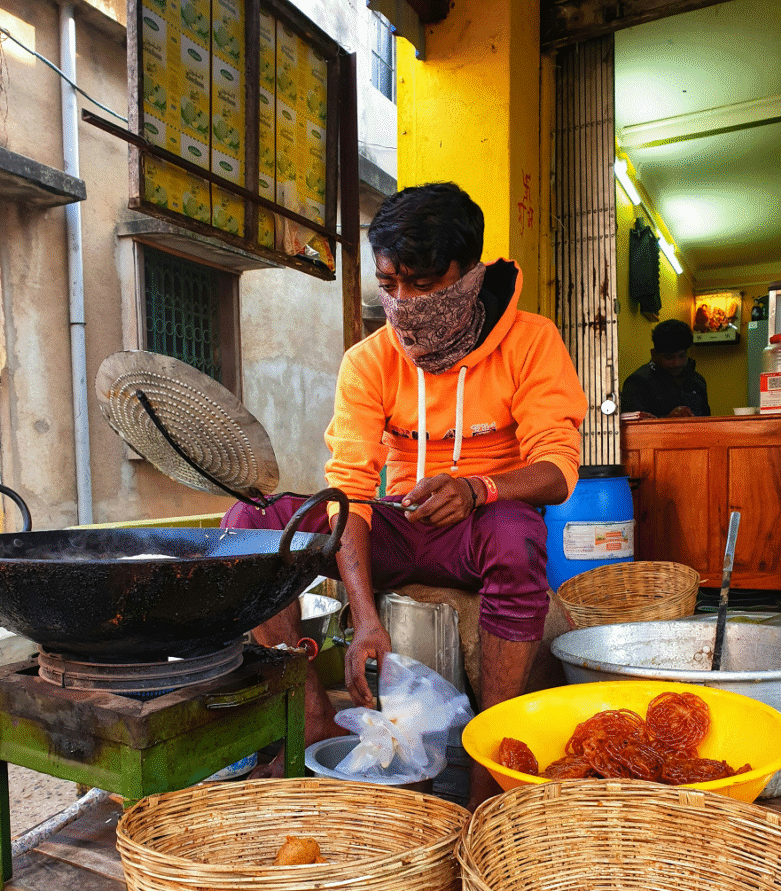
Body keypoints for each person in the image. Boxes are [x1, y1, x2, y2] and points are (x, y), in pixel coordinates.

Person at [222, 181, 587, 807]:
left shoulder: (532, 341)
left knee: (520, 534)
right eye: (390, 286)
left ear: (467, 273)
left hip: (483, 523)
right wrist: (365, 620)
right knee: (254, 520)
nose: (404, 303)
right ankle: (308, 720)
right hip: (397, 520)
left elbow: (557, 469)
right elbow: (353, 493)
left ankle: (488, 766)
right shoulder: (368, 361)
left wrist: (479, 489)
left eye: (421, 284)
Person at [621, 319, 710, 418]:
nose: (677, 363)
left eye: (682, 356)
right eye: (669, 357)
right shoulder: (637, 383)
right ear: (654, 354)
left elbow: (707, 421)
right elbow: (631, 428)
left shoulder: (697, 381)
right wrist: (667, 420)